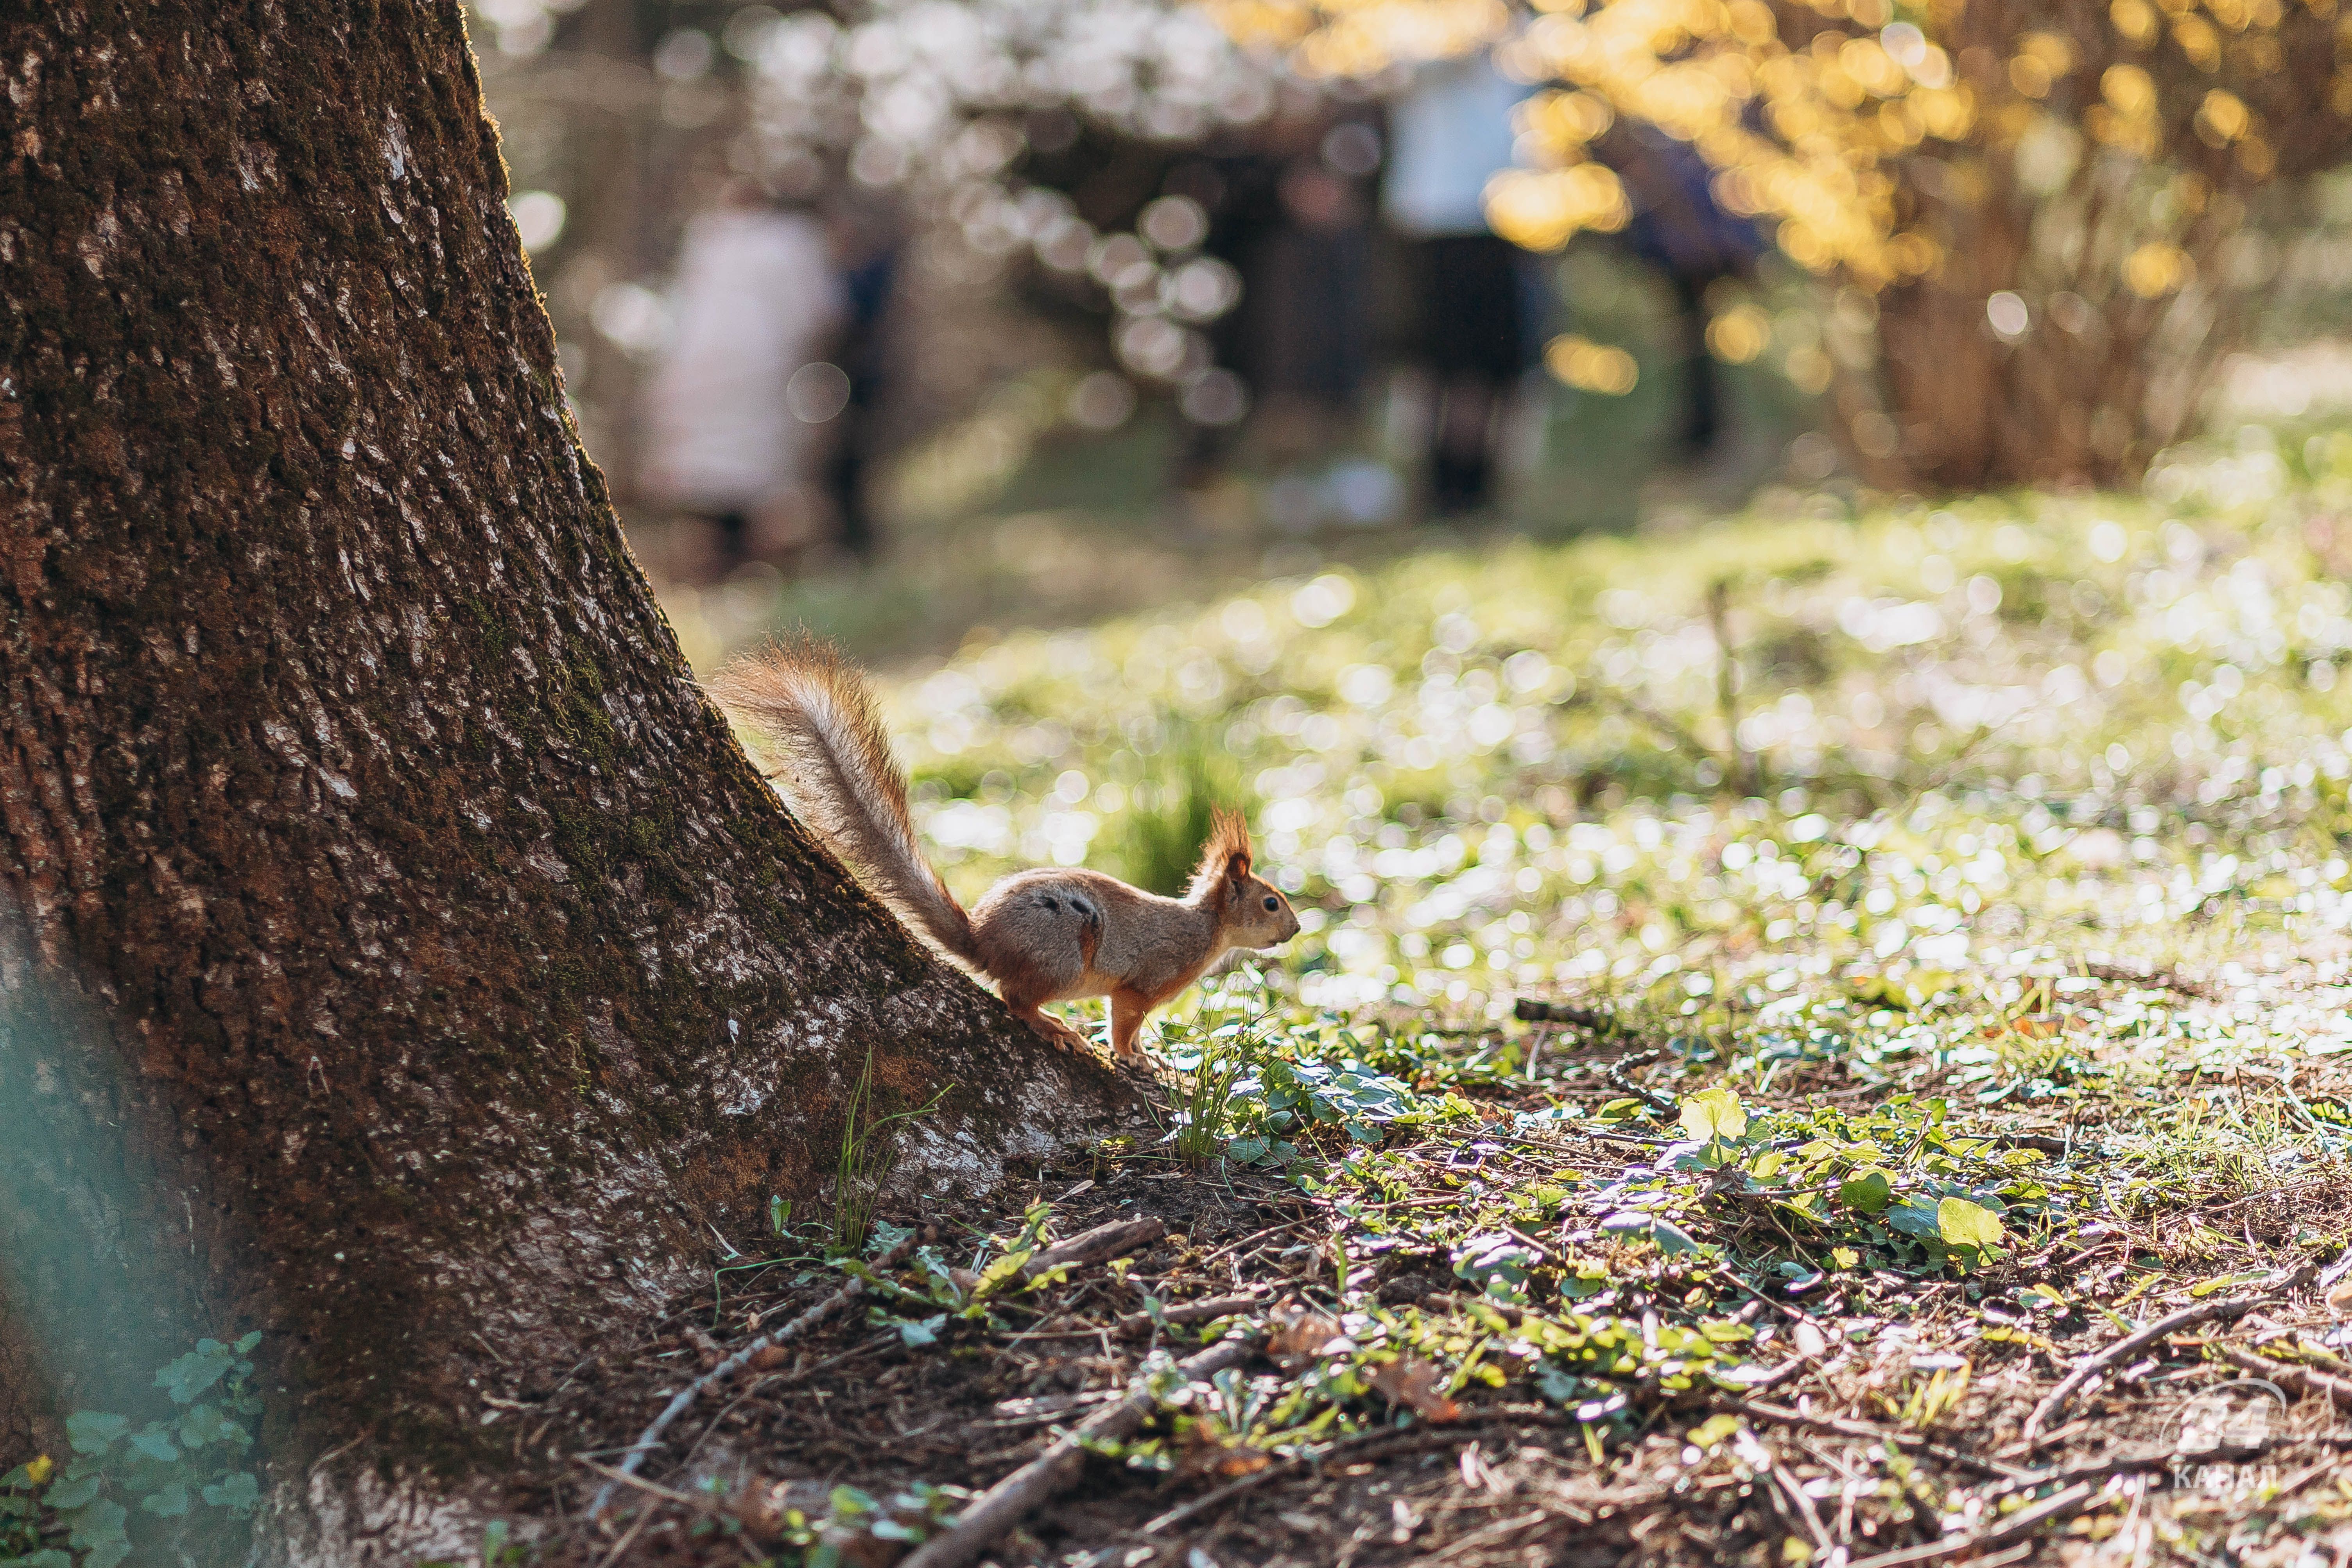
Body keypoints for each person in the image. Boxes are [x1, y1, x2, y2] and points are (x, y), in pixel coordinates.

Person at [640, 179, 844, 569]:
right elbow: (819, 314)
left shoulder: (713, 237)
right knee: (744, 478)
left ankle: (741, 565)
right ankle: (736, 566)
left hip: (709, 365)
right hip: (751, 366)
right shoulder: (778, 240)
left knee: (734, 476)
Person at [1382, 51, 1539, 517]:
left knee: (1496, 362)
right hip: (1441, 216)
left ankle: (1477, 482)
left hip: (1514, 214)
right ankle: (1441, 482)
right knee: (1444, 363)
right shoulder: (1426, 28)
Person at [1605, 125, 1764, 463]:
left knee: (1702, 333)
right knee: (1692, 331)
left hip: (1700, 230)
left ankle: (1709, 430)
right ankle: (1702, 428)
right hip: (1684, 234)